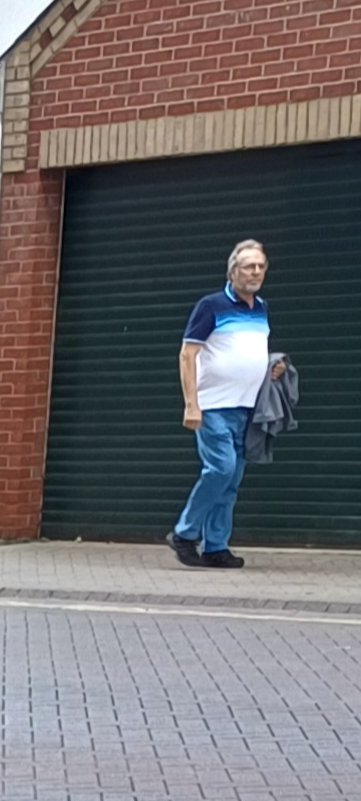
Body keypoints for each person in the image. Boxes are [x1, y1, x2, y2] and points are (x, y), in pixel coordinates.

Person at [171, 239, 286, 568]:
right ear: (233, 270)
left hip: (248, 408)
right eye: (249, 265)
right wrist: (190, 404)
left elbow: (244, 353)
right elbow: (187, 354)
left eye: (261, 266)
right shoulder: (211, 306)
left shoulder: (260, 307)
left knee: (231, 478)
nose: (256, 271)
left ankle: (216, 547)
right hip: (213, 407)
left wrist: (271, 366)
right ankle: (184, 532)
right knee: (220, 469)